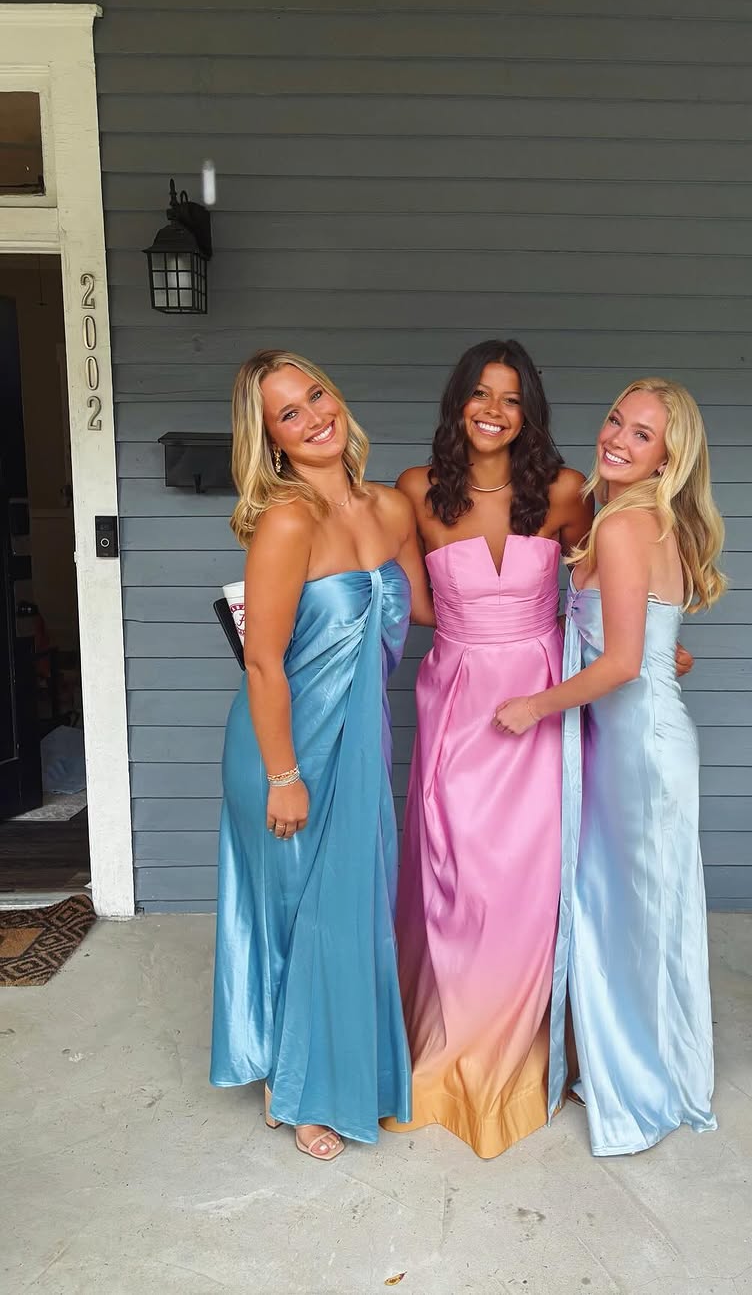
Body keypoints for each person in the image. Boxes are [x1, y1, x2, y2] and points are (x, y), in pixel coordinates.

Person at [210, 349, 432, 1161]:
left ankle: (314, 1066)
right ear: (270, 439)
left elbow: (434, 610)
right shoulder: (288, 522)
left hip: (360, 740)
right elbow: (263, 664)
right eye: (288, 414)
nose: (313, 418)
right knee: (299, 916)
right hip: (287, 748)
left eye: (315, 395)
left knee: (347, 912)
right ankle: (299, 1086)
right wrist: (283, 776)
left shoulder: (392, 508)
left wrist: (577, 614)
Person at [493, 377, 725, 1156]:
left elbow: (624, 663)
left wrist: (534, 705)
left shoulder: (627, 525)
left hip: (640, 750)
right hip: (627, 743)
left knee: (639, 916)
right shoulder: (631, 517)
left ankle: (644, 1086)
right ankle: (641, 1065)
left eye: (642, 434)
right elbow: (645, 642)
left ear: (668, 458)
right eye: (617, 421)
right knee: (628, 912)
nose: (618, 439)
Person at [381, 339, 592, 1158]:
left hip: (541, 698)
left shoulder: (566, 491)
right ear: (457, 403)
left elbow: (602, 586)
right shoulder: (415, 490)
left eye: (510, 397)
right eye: (480, 393)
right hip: (461, 698)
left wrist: (648, 645)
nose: (493, 410)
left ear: (528, 411)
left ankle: (526, 1045)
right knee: (459, 873)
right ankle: (452, 1037)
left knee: (529, 879)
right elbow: (413, 604)